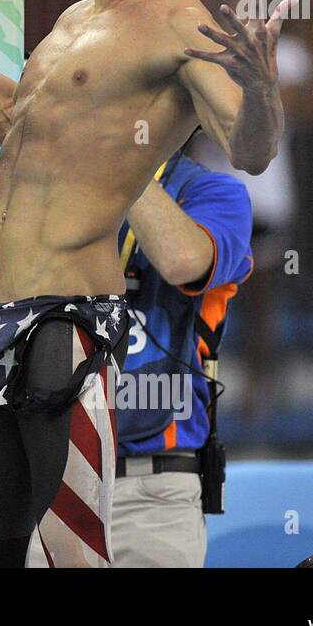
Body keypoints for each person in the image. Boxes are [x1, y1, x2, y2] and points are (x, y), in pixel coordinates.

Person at [0, 0, 290, 568]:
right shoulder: (72, 19)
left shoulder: (184, 25)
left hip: (63, 330)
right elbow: (11, 118)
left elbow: (251, 151)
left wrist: (262, 94)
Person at [26, 149, 253, 567]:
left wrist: (116, 160)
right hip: (53, 481)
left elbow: (183, 261)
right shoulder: (51, 189)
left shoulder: (212, 191)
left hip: (154, 492)